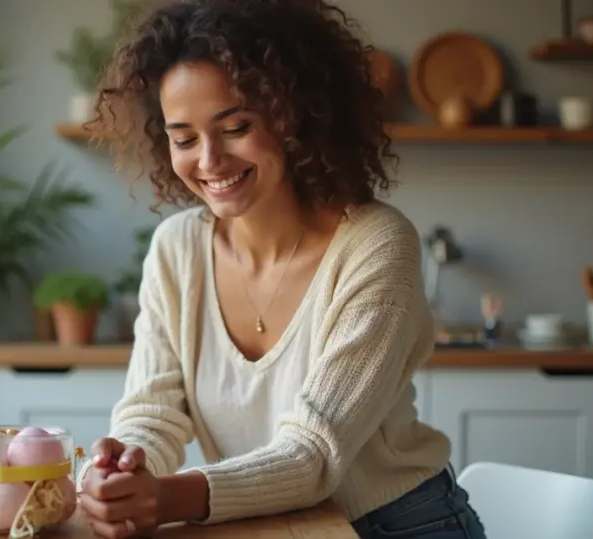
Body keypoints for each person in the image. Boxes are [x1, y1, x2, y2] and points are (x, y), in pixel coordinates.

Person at [75, 1, 487, 538]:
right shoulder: (176, 250)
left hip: (402, 524)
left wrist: (167, 496)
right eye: (184, 138)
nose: (209, 160)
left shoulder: (377, 246)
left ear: (295, 115)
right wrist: (126, 469)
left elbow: (312, 454)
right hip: (269, 523)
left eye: (236, 126)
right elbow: (152, 413)